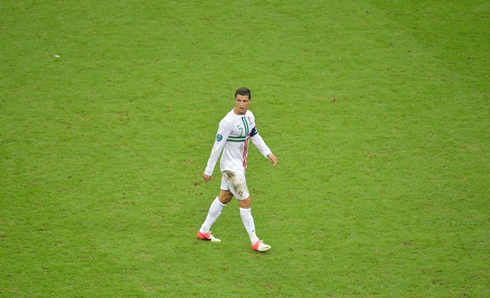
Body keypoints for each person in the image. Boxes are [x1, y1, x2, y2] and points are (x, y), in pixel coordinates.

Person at [197, 87, 277, 252]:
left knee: (224, 197)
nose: (241, 104)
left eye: (244, 101)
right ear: (234, 100)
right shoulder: (227, 122)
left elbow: (254, 135)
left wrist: (268, 153)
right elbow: (217, 146)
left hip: (238, 167)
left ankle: (204, 231)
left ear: (250, 101)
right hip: (231, 169)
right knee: (245, 202)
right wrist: (208, 170)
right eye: (239, 100)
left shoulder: (249, 116)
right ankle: (255, 241)